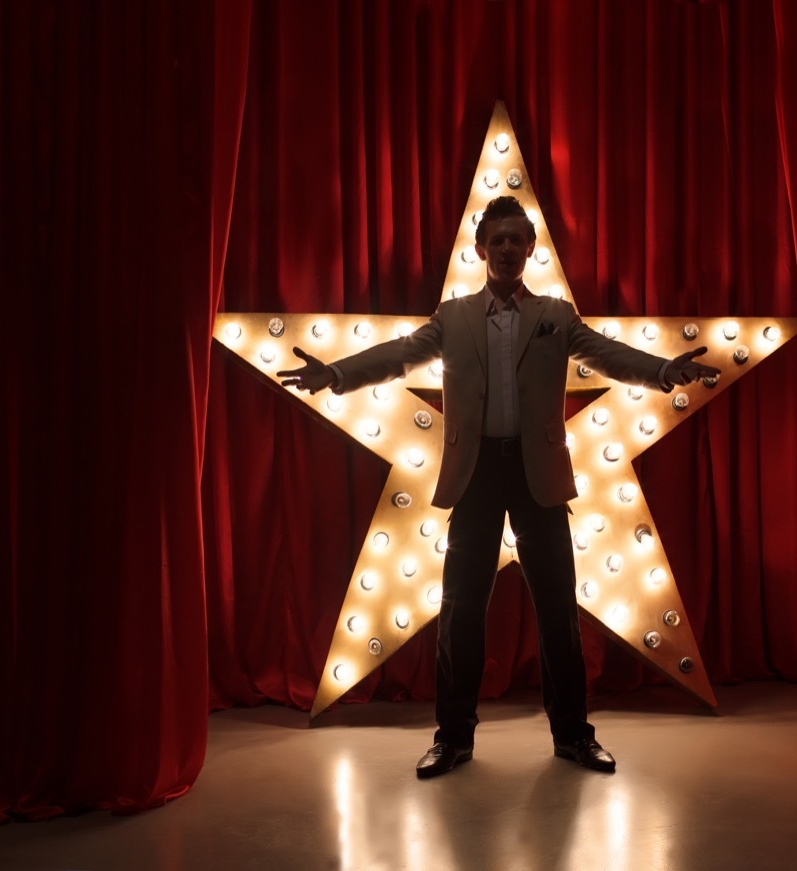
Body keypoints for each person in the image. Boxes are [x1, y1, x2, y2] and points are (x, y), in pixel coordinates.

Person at [280, 196, 720, 778]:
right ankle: (452, 738)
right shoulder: (454, 316)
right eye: (499, 241)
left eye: (518, 240)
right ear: (482, 249)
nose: (509, 249)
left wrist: (664, 371)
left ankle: (574, 737)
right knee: (461, 613)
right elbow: (400, 355)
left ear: (531, 249)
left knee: (559, 610)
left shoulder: (556, 316)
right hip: (476, 475)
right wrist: (336, 373)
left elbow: (608, 355)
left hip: (538, 477)